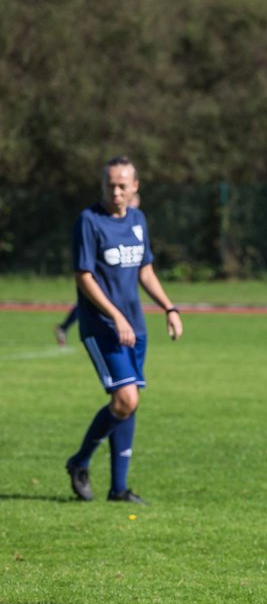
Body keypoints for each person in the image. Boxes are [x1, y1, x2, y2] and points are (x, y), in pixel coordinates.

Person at [65, 158, 183, 504]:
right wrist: (116, 316)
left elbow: (145, 270)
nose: (116, 192)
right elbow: (83, 277)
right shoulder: (88, 221)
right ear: (102, 186)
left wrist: (169, 308)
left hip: (135, 326)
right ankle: (79, 461)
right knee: (126, 398)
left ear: (135, 187)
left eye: (122, 186)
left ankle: (118, 489)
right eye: (110, 186)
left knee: (127, 403)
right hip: (103, 327)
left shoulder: (137, 219)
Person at [55, 194, 139, 346]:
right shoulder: (92, 221)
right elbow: (83, 273)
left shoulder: (136, 222)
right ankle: (64, 327)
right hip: (101, 289)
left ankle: (63, 327)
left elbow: (146, 270)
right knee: (89, 303)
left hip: (120, 297)